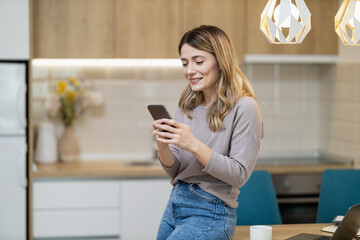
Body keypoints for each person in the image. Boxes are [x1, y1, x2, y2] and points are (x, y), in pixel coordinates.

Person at [152, 25, 264, 240]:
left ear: (220, 61)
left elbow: (239, 175)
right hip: (175, 203)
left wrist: (192, 144)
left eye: (198, 61)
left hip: (210, 210)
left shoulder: (245, 107)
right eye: (184, 63)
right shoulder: (187, 104)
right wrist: (162, 145)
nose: (189, 70)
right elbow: (175, 171)